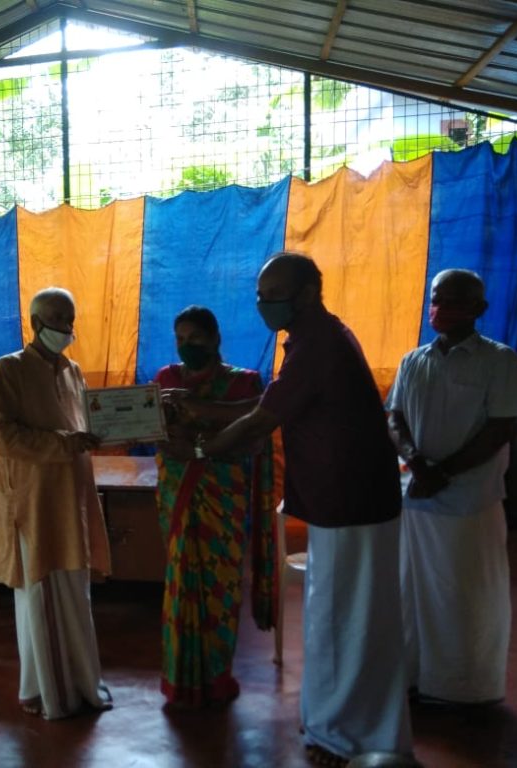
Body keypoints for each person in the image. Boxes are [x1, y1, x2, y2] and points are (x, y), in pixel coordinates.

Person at [191, 253, 413, 765]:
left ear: (309, 291)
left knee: (341, 622)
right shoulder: (321, 338)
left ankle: (343, 737)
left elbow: (258, 421)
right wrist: (203, 411)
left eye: (273, 295)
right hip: (354, 502)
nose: (263, 305)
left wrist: (201, 449)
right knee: (353, 618)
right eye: (260, 296)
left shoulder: (317, 347)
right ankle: (350, 725)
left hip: (348, 504)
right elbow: (270, 404)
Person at [387, 269, 517, 705]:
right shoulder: (414, 360)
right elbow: (394, 418)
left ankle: (464, 688)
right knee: (413, 594)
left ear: (479, 309)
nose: (440, 309)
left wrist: (441, 472)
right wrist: (415, 461)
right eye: (435, 299)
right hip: (418, 498)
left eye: (452, 300)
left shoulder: (500, 361)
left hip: (470, 501)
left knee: (465, 596)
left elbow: (500, 428)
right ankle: (416, 678)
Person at [0, 286, 114, 720]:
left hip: (71, 497)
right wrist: (64, 443)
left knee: (75, 591)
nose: (66, 327)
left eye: (70, 319)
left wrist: (117, 427)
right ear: (35, 323)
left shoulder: (73, 371)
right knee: (40, 594)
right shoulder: (11, 368)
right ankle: (44, 691)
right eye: (57, 319)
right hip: (34, 502)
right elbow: (0, 434)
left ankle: (80, 683)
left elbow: (86, 427)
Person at [152, 305, 275, 707]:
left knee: (219, 588)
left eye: (196, 338)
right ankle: (178, 679)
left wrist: (198, 432)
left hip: (222, 498)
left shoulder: (244, 384)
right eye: (181, 340)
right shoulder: (166, 380)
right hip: (178, 494)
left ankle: (216, 676)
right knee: (181, 584)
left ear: (217, 338)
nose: (188, 346)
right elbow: (155, 434)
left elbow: (254, 439)